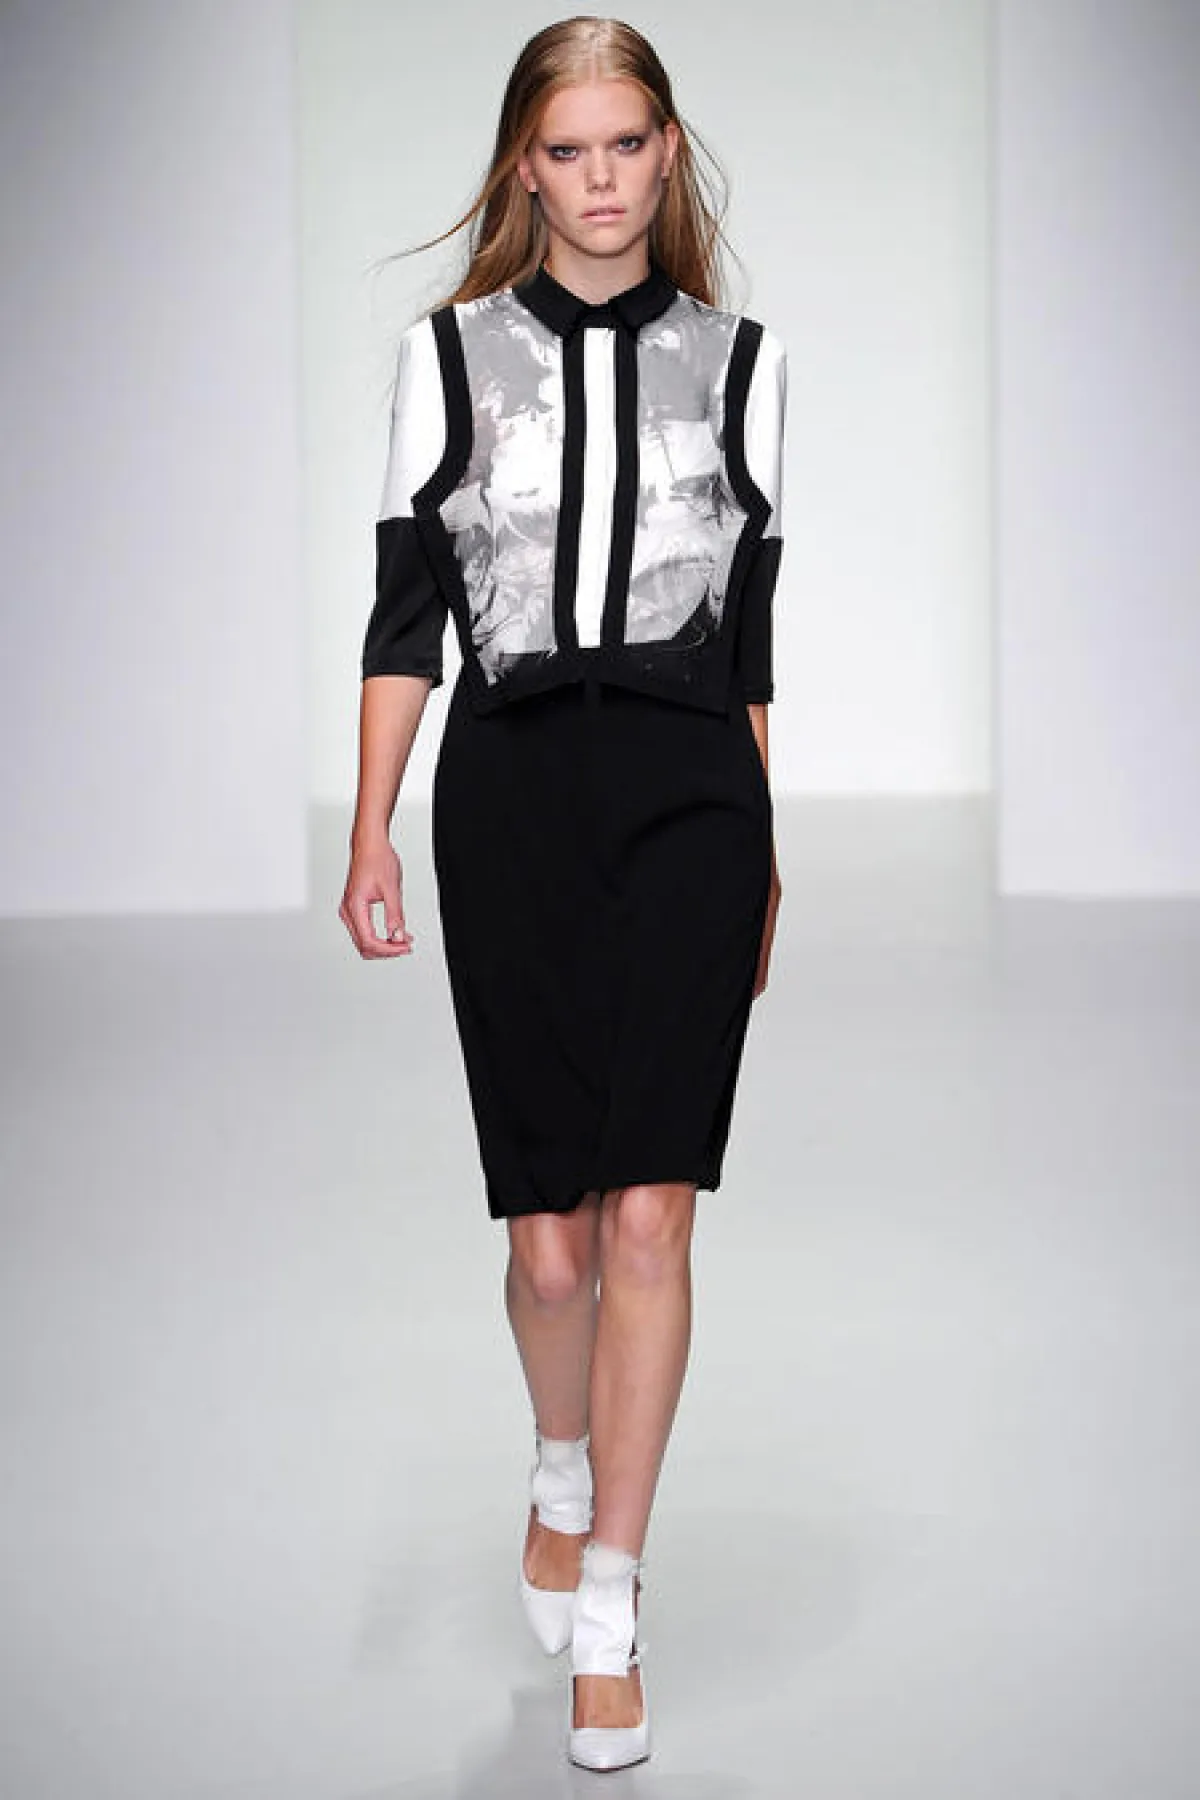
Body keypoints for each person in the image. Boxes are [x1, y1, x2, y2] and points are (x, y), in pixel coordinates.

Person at [338, 14, 787, 1773]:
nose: (600, 180)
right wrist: (371, 827)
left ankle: (613, 1601)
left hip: (692, 800)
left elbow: (752, 640)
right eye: (567, 150)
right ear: (524, 169)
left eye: (627, 144)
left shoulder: (743, 364)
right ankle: (556, 1462)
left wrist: (768, 848)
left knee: (654, 1215)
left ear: (667, 152)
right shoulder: (444, 359)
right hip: (512, 796)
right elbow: (404, 619)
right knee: (550, 1245)